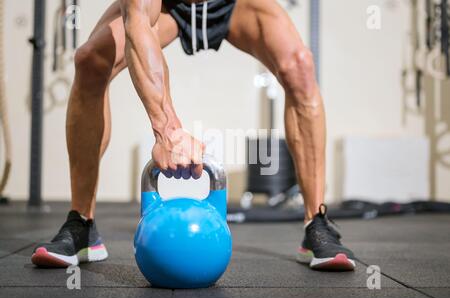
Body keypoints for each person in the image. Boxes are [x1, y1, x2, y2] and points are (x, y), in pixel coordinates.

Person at [31, 0, 355, 271]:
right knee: (90, 60)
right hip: (170, 6)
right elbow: (139, 20)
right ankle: (82, 223)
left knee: (300, 65)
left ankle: (317, 223)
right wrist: (168, 131)